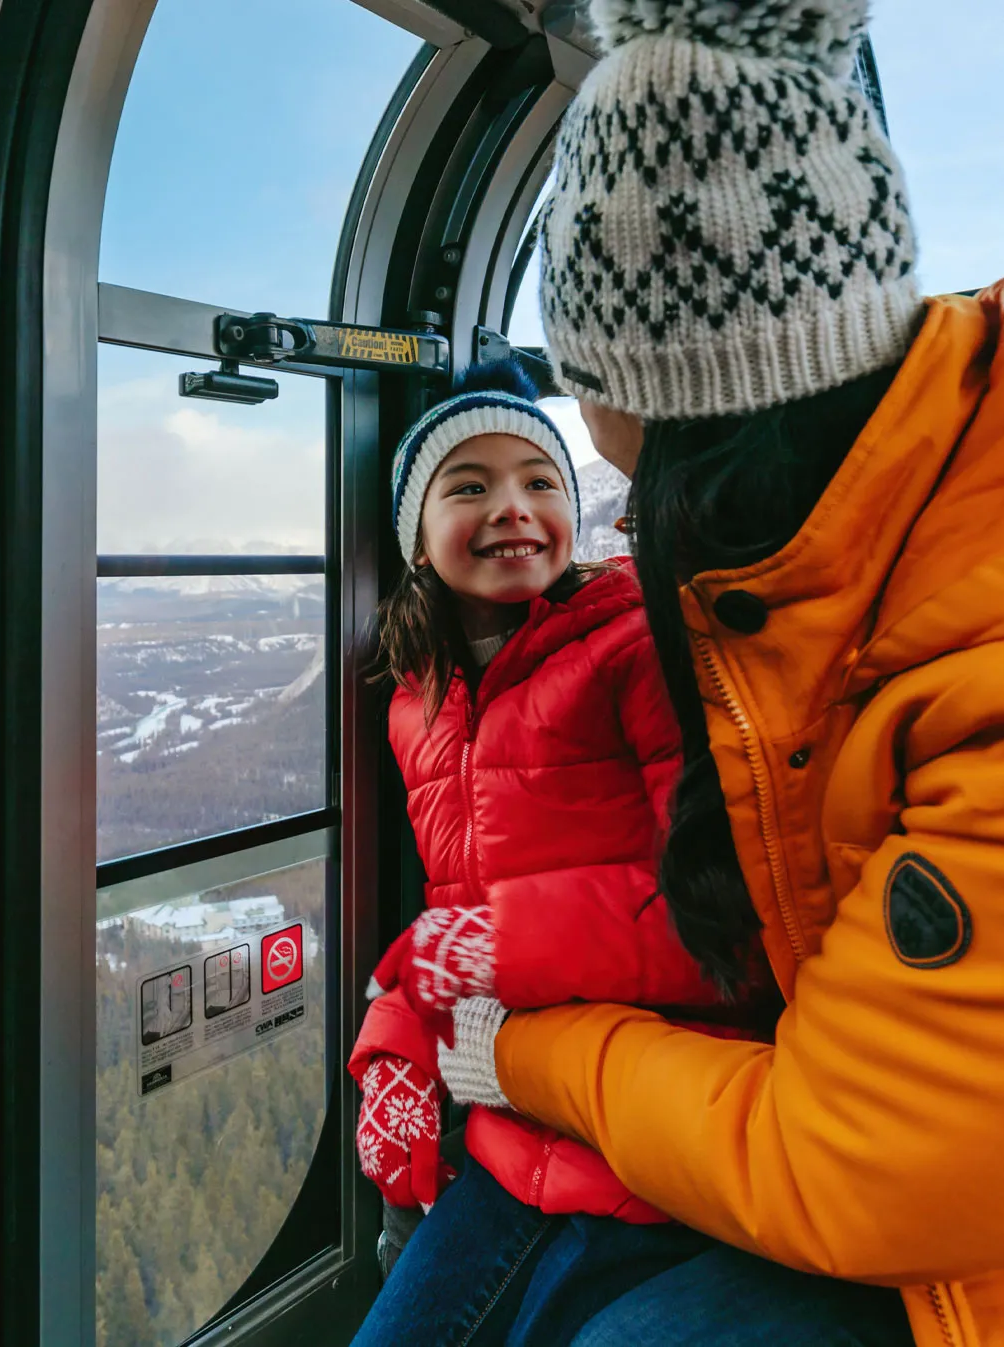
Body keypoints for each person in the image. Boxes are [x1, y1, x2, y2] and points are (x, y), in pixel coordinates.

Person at [433, 1, 1004, 1344]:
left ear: (666, 405)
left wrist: (516, 1050)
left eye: (583, 421)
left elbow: (855, 1167)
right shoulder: (877, 535)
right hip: (993, 1147)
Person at [347, 358, 773, 1347]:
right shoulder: (420, 706)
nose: (514, 508)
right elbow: (452, 933)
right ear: (417, 536)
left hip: (663, 1135)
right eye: (471, 486)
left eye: (541, 482)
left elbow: (725, 926)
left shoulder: (634, 649)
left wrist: (489, 946)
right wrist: (397, 1051)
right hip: (511, 1140)